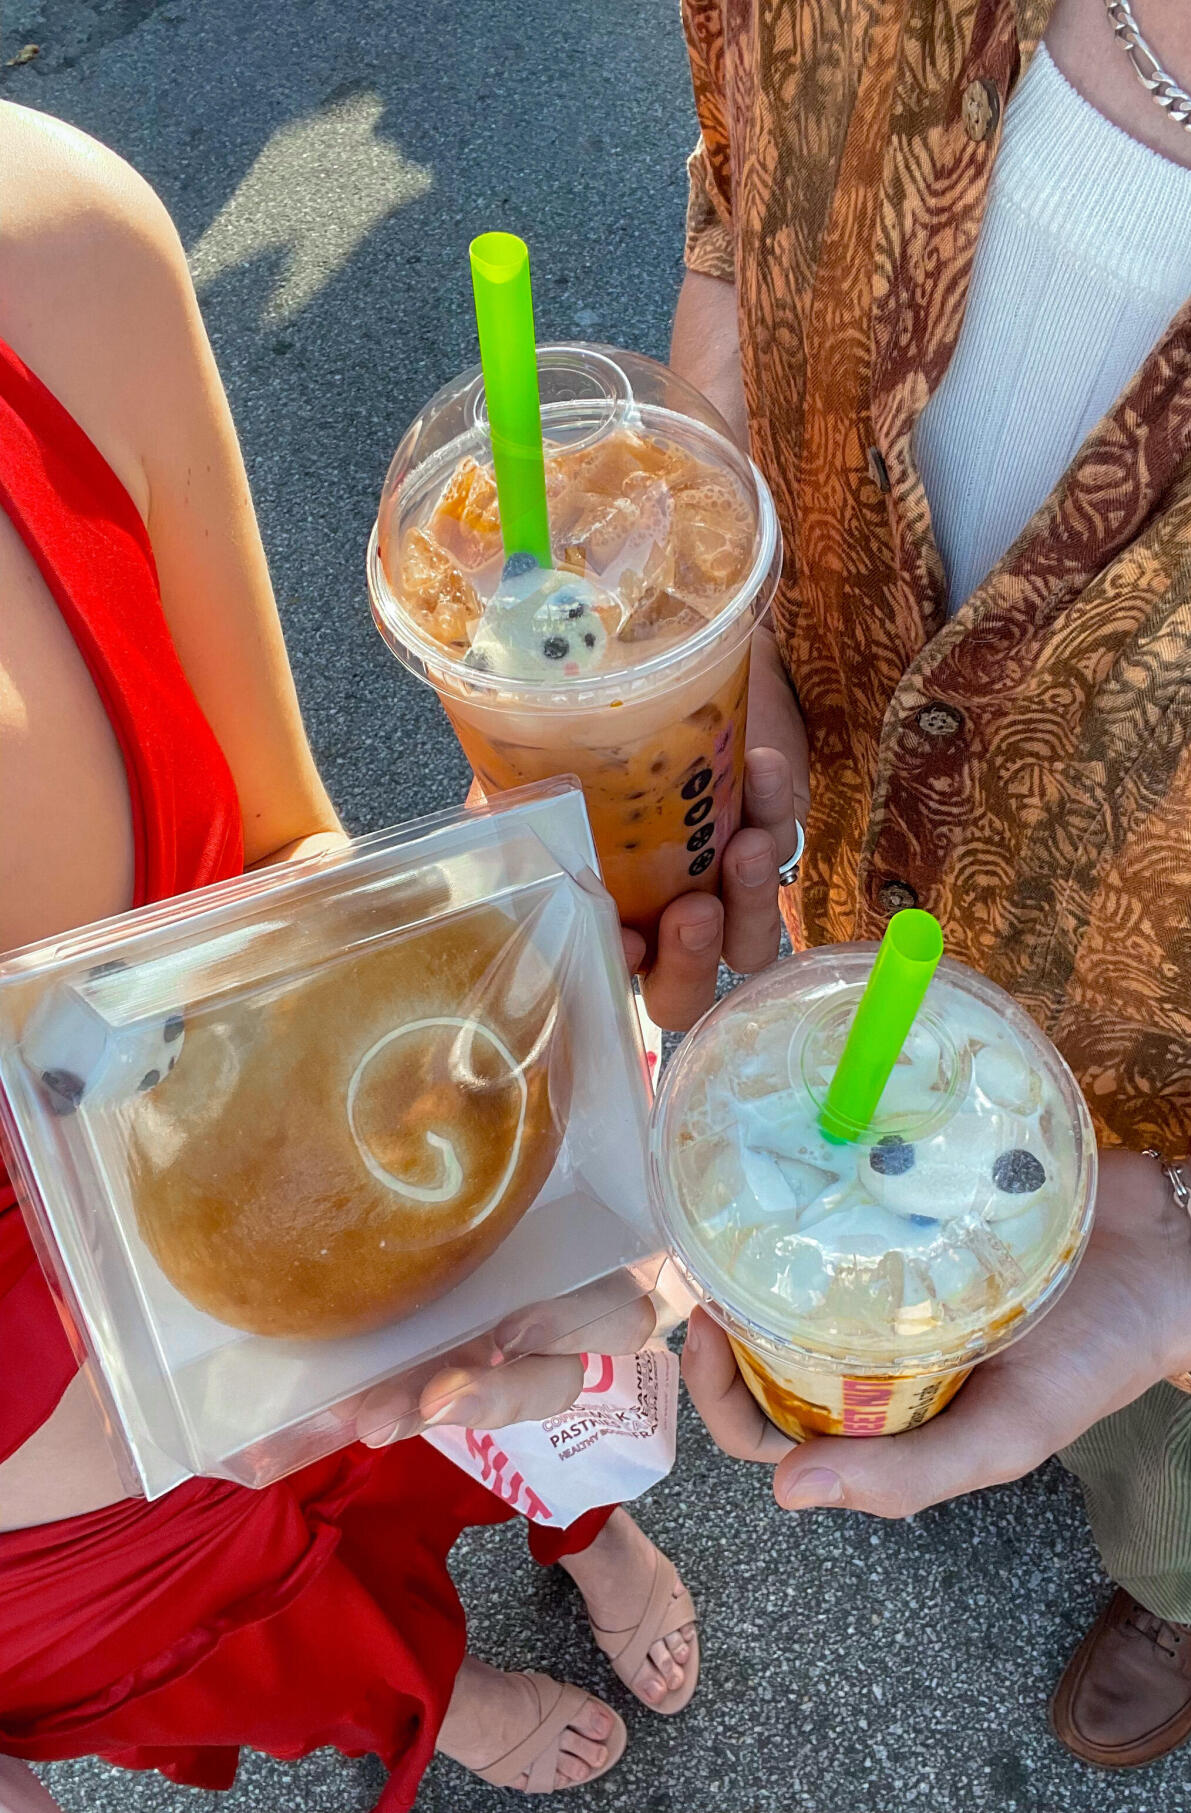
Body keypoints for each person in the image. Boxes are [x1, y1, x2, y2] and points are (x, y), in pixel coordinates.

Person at [656, 0, 1191, 1770]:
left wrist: (1186, 1266)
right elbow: (741, 200)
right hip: (834, 938)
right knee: (885, 1355)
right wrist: (712, 614)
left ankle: (1183, 1588)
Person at [0, 98, 698, 1804]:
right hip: (50, 1531)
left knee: (498, 1407)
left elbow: (280, 852)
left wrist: (516, 980)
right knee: (279, 1628)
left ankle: (583, 1529)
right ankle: (438, 1694)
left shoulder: (51, 251)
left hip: (334, 1205)